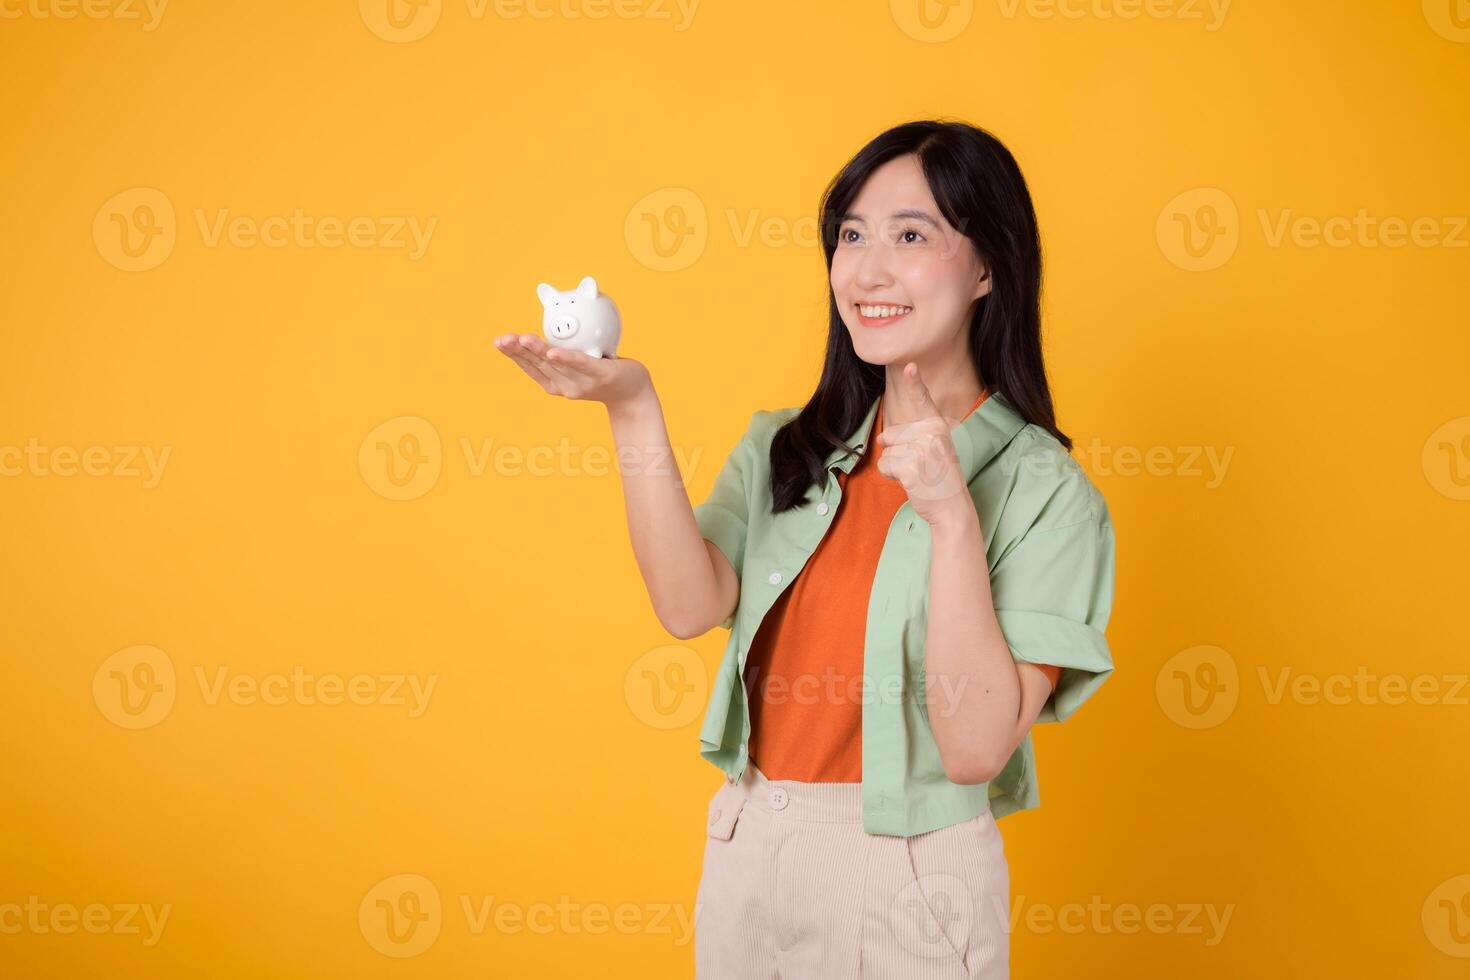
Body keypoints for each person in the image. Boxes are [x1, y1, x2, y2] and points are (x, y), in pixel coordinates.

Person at [494, 118, 1116, 979]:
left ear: (986, 267)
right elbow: (687, 605)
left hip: (909, 870)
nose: (867, 270)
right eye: (851, 235)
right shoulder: (787, 447)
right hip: (752, 840)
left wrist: (950, 517)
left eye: (911, 235)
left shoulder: (1048, 495)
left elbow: (975, 748)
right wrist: (631, 408)